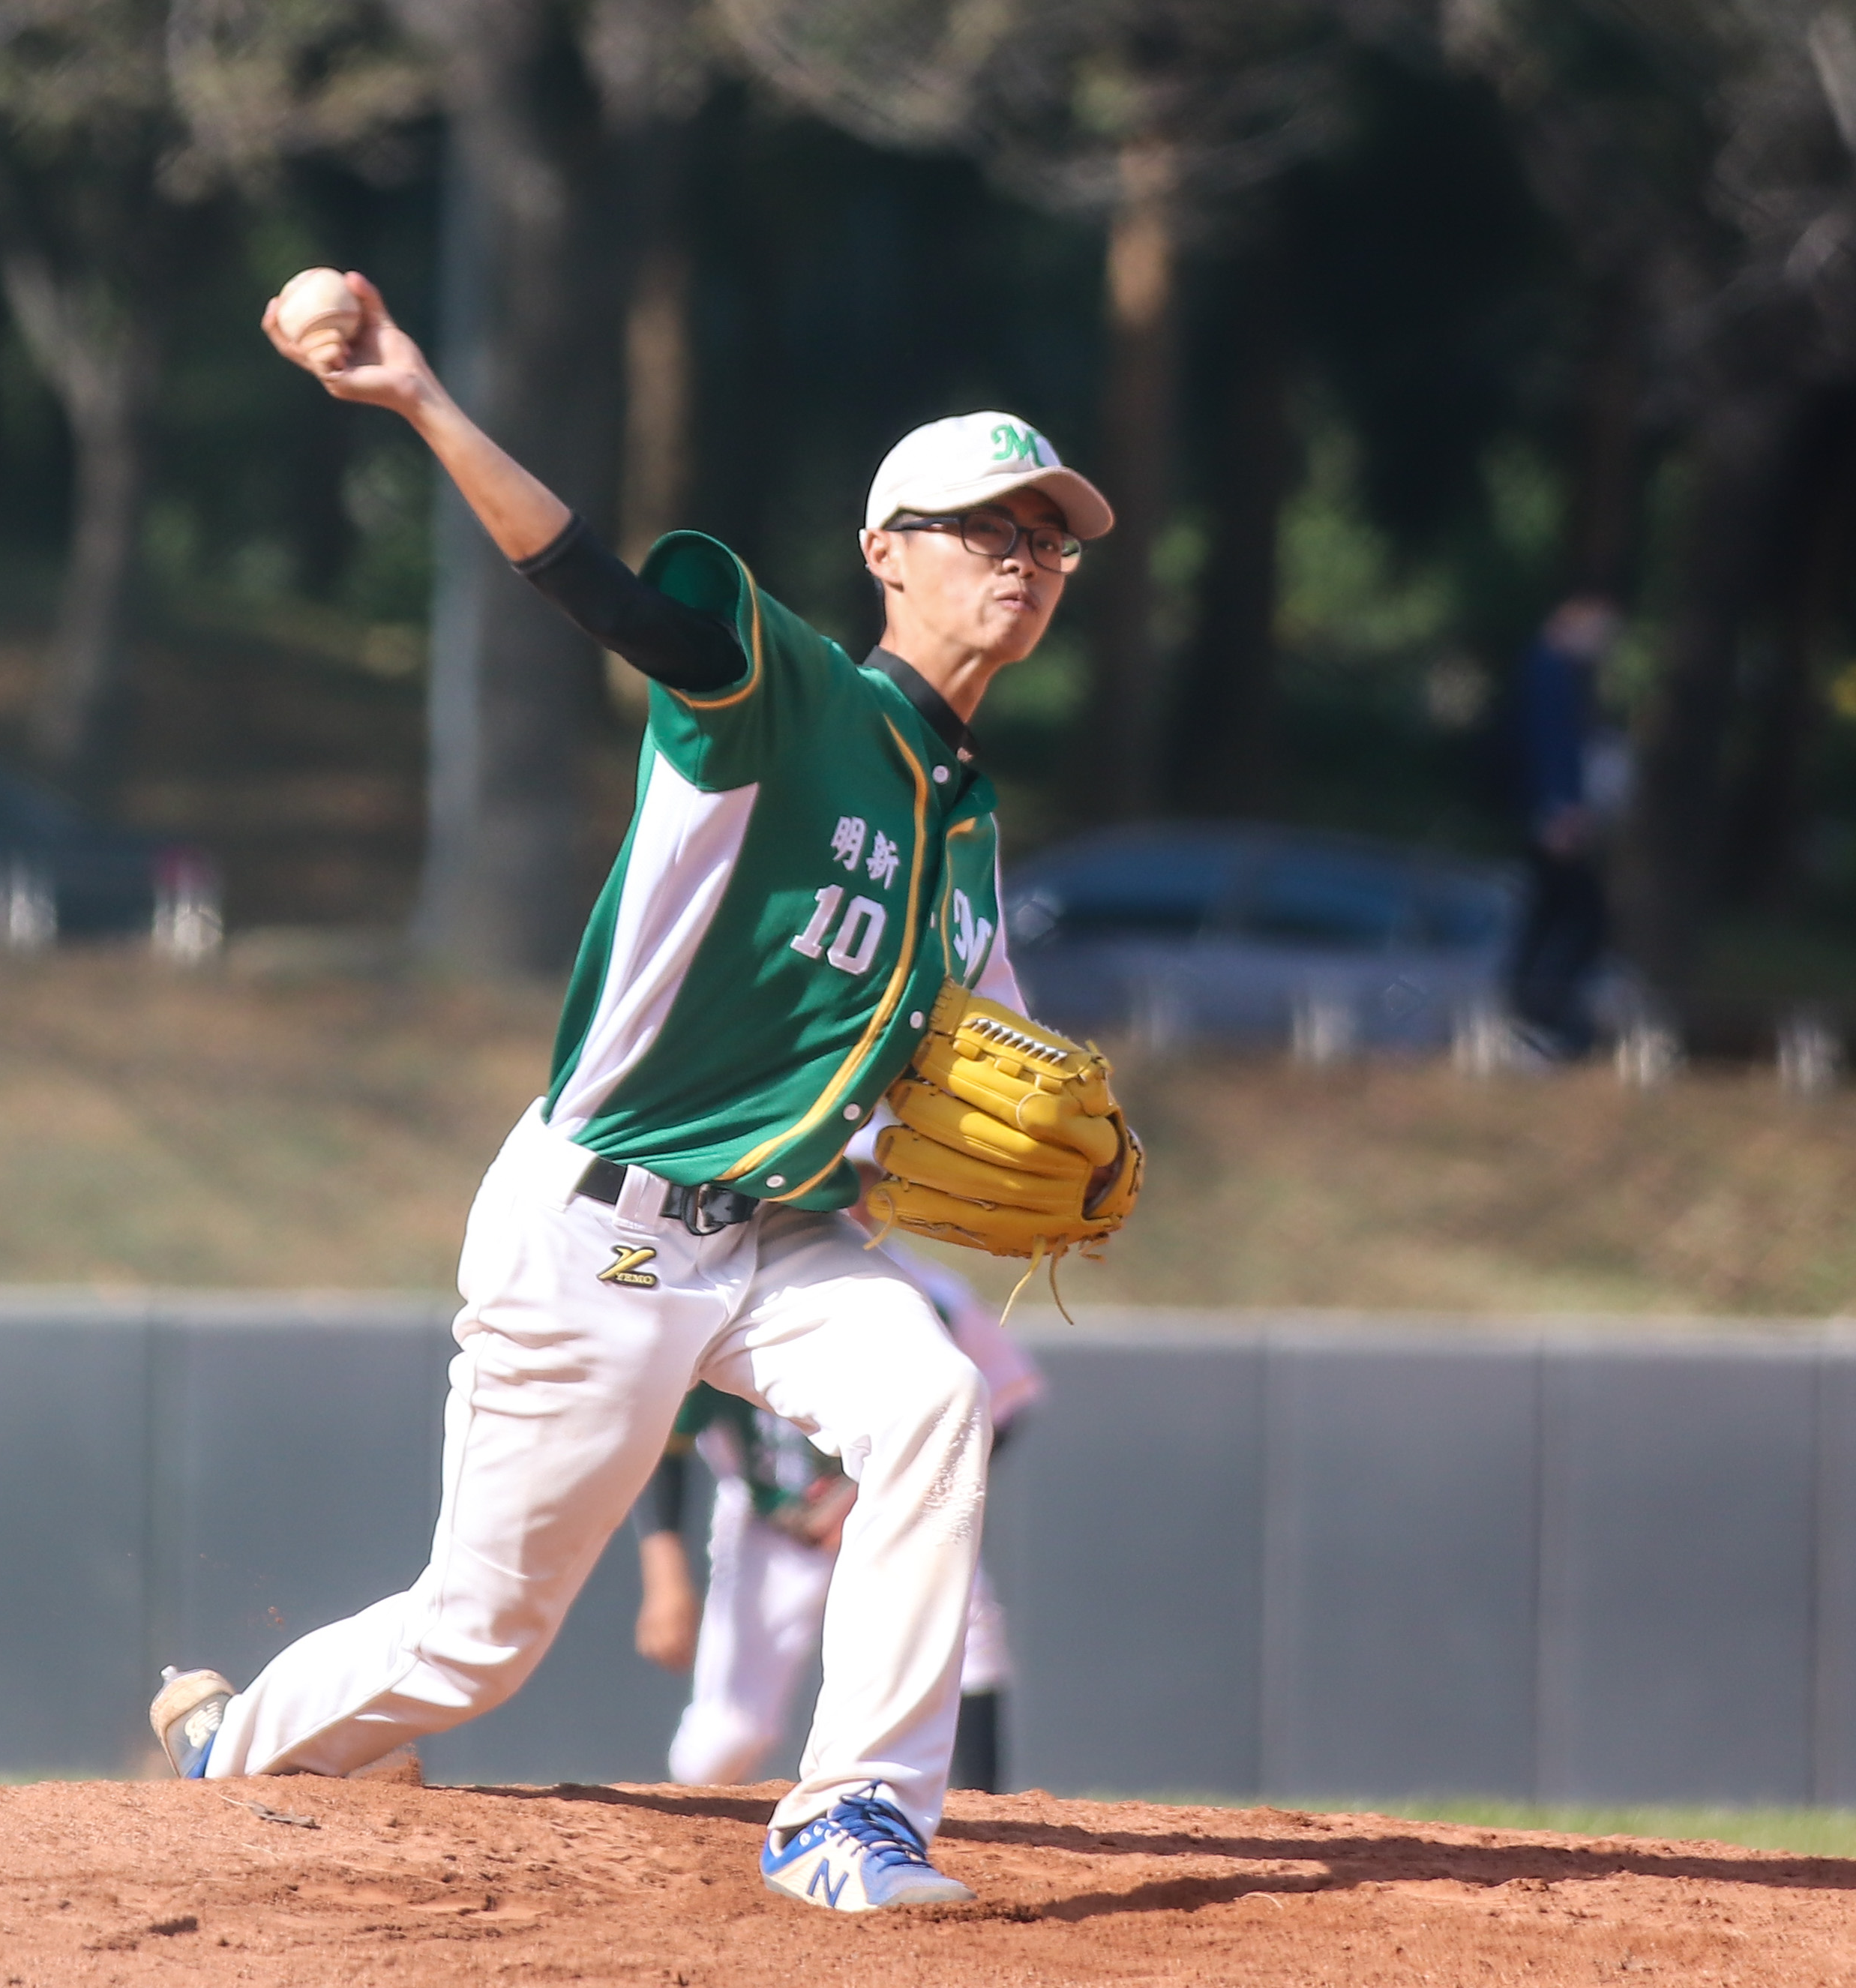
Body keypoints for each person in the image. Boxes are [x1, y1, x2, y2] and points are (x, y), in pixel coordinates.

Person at [145, 271, 1118, 1915]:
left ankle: (852, 1813)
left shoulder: (966, 820)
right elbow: (601, 588)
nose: (1022, 553)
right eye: (982, 523)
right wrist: (420, 400)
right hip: (603, 1224)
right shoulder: (779, 692)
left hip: (783, 1241)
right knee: (478, 1638)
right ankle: (232, 1743)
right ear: (888, 549)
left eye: (1048, 534)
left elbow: (992, 1063)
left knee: (931, 1397)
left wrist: (1047, 1153)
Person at [631, 1233, 1044, 1795]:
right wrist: (665, 1574)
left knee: (970, 1642)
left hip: (903, 1514)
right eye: (846, 1173)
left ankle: (981, 1815)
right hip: (773, 1530)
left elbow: (1003, 1400)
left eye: (873, 1176)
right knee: (724, 1737)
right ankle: (692, 1845)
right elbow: (666, 1435)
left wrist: (880, 1488)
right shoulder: (736, 1288)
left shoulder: (934, 1292)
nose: (858, 1194)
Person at [1504, 595, 1624, 1059]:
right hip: (1552, 817)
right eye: (1601, 635)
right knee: (1578, 915)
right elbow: (1549, 744)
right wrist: (1560, 812)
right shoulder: (1551, 671)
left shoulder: (1549, 670)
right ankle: (1539, 1018)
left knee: (1551, 913)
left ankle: (1532, 1017)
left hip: (1547, 813)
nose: (1604, 647)